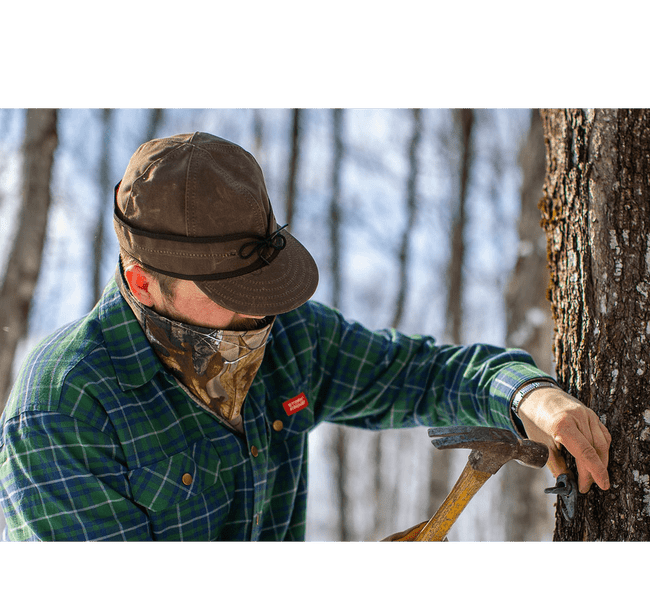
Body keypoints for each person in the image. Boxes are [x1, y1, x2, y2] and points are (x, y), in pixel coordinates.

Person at [0, 132, 611, 542]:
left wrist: (528, 395)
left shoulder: (290, 339)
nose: (256, 321)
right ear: (142, 281)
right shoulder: (65, 406)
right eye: (228, 297)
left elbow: (420, 373)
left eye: (259, 289)